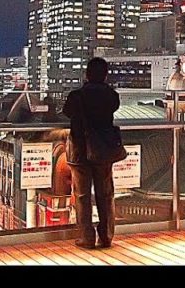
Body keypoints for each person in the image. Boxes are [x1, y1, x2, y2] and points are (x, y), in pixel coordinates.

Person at [62, 57, 121, 250]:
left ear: (87, 74)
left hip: (79, 150)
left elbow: (66, 112)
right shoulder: (111, 96)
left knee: (82, 195)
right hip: (103, 149)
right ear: (105, 75)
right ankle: (106, 235)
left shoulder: (76, 96)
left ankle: (87, 236)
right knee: (105, 193)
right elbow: (113, 108)